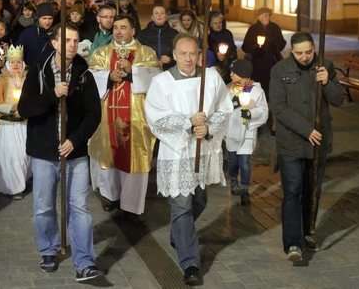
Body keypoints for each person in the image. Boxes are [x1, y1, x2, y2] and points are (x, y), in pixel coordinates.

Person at [17, 24, 104, 282]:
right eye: (66, 40)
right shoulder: (40, 72)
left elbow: (93, 115)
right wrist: (52, 95)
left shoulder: (83, 74)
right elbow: (25, 108)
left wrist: (75, 140)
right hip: (44, 152)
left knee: (79, 207)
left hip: (74, 154)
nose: (72, 45)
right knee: (44, 207)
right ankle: (48, 249)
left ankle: (85, 262)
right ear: (55, 43)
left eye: (76, 40)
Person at [144, 34, 232, 286]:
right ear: (174, 55)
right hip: (177, 152)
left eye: (192, 53)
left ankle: (179, 233)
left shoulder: (211, 77)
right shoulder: (162, 82)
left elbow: (225, 109)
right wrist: (187, 124)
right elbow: (156, 118)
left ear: (199, 55)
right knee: (181, 206)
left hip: (203, 151)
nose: (188, 59)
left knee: (200, 201)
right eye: (183, 54)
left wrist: (209, 128)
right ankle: (190, 262)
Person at [268, 32, 344, 262]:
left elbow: (339, 99)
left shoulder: (325, 66)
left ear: (314, 48)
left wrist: (327, 82)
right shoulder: (280, 70)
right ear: (292, 51)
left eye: (308, 52)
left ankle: (307, 231)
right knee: (293, 190)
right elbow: (279, 108)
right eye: (299, 53)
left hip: (318, 142)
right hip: (291, 141)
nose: (304, 57)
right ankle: (293, 243)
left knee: (312, 189)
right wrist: (305, 129)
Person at [88, 14, 160, 216]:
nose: (118, 31)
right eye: (116, 27)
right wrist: (107, 76)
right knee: (107, 152)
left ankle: (131, 204)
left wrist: (132, 72)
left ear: (133, 30)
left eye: (123, 27)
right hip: (105, 115)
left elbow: (156, 79)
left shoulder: (146, 53)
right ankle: (109, 196)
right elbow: (91, 77)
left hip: (137, 116)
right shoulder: (101, 53)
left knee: (135, 155)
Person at [0, 45, 31, 198]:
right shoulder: (1, 80)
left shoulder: (29, 79)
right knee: (12, 155)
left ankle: (23, 179)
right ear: (8, 63)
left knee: (24, 155)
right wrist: (12, 108)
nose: (16, 65)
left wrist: (25, 109)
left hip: (24, 123)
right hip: (8, 125)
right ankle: (15, 187)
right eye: (12, 62)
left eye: (18, 62)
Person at [224, 59, 268, 205]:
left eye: (234, 73)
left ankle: (244, 189)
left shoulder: (256, 90)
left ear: (243, 74)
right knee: (233, 162)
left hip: (247, 131)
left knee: (244, 163)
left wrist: (249, 114)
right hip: (231, 132)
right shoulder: (228, 89)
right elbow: (222, 109)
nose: (231, 75)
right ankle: (233, 180)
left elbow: (263, 111)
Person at [241, 7, 286, 98]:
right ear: (258, 17)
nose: (266, 17)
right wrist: (256, 46)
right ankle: (253, 98)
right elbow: (245, 46)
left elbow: (282, 43)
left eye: (267, 15)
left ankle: (271, 100)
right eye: (263, 15)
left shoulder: (275, 28)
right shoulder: (253, 29)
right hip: (256, 62)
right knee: (256, 83)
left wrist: (274, 45)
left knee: (272, 83)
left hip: (272, 61)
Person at [137, 6, 178, 70]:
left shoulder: (174, 34)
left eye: (162, 13)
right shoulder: (143, 34)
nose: (159, 15)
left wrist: (170, 59)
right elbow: (138, 54)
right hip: (149, 69)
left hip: (169, 69)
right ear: (152, 17)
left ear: (166, 17)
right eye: (156, 13)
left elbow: (179, 53)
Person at [17, 2, 55, 67]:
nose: (47, 22)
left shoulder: (56, 33)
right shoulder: (28, 32)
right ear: (38, 18)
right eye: (44, 18)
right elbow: (17, 51)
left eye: (50, 18)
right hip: (31, 70)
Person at [207, 11, 237, 84]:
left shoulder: (227, 33)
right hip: (214, 65)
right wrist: (216, 54)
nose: (218, 25)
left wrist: (227, 54)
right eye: (215, 23)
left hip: (227, 64)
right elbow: (209, 48)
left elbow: (233, 49)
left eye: (220, 22)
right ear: (210, 24)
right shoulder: (208, 35)